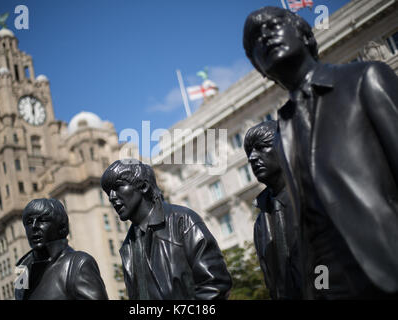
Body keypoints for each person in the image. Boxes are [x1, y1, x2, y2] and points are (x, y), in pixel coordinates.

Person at [243, 6, 398, 299]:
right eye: (255, 42)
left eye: (274, 26)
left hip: (386, 266)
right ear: (260, 71)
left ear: (303, 33)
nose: (265, 38)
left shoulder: (364, 78)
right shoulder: (284, 125)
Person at [101, 159, 232, 300]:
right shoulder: (128, 246)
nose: (112, 197)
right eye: (109, 192)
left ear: (144, 186)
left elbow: (216, 285)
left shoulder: (183, 221)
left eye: (118, 187)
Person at [244, 120, 301, 299]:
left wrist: (322, 289)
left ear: (284, 145)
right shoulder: (261, 222)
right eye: (250, 152)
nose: (252, 157)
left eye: (261, 147)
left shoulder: (312, 196)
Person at [15, 198, 108, 300]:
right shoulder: (22, 270)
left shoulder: (78, 264)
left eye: (42, 220)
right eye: (29, 222)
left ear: (61, 227)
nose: (34, 226)